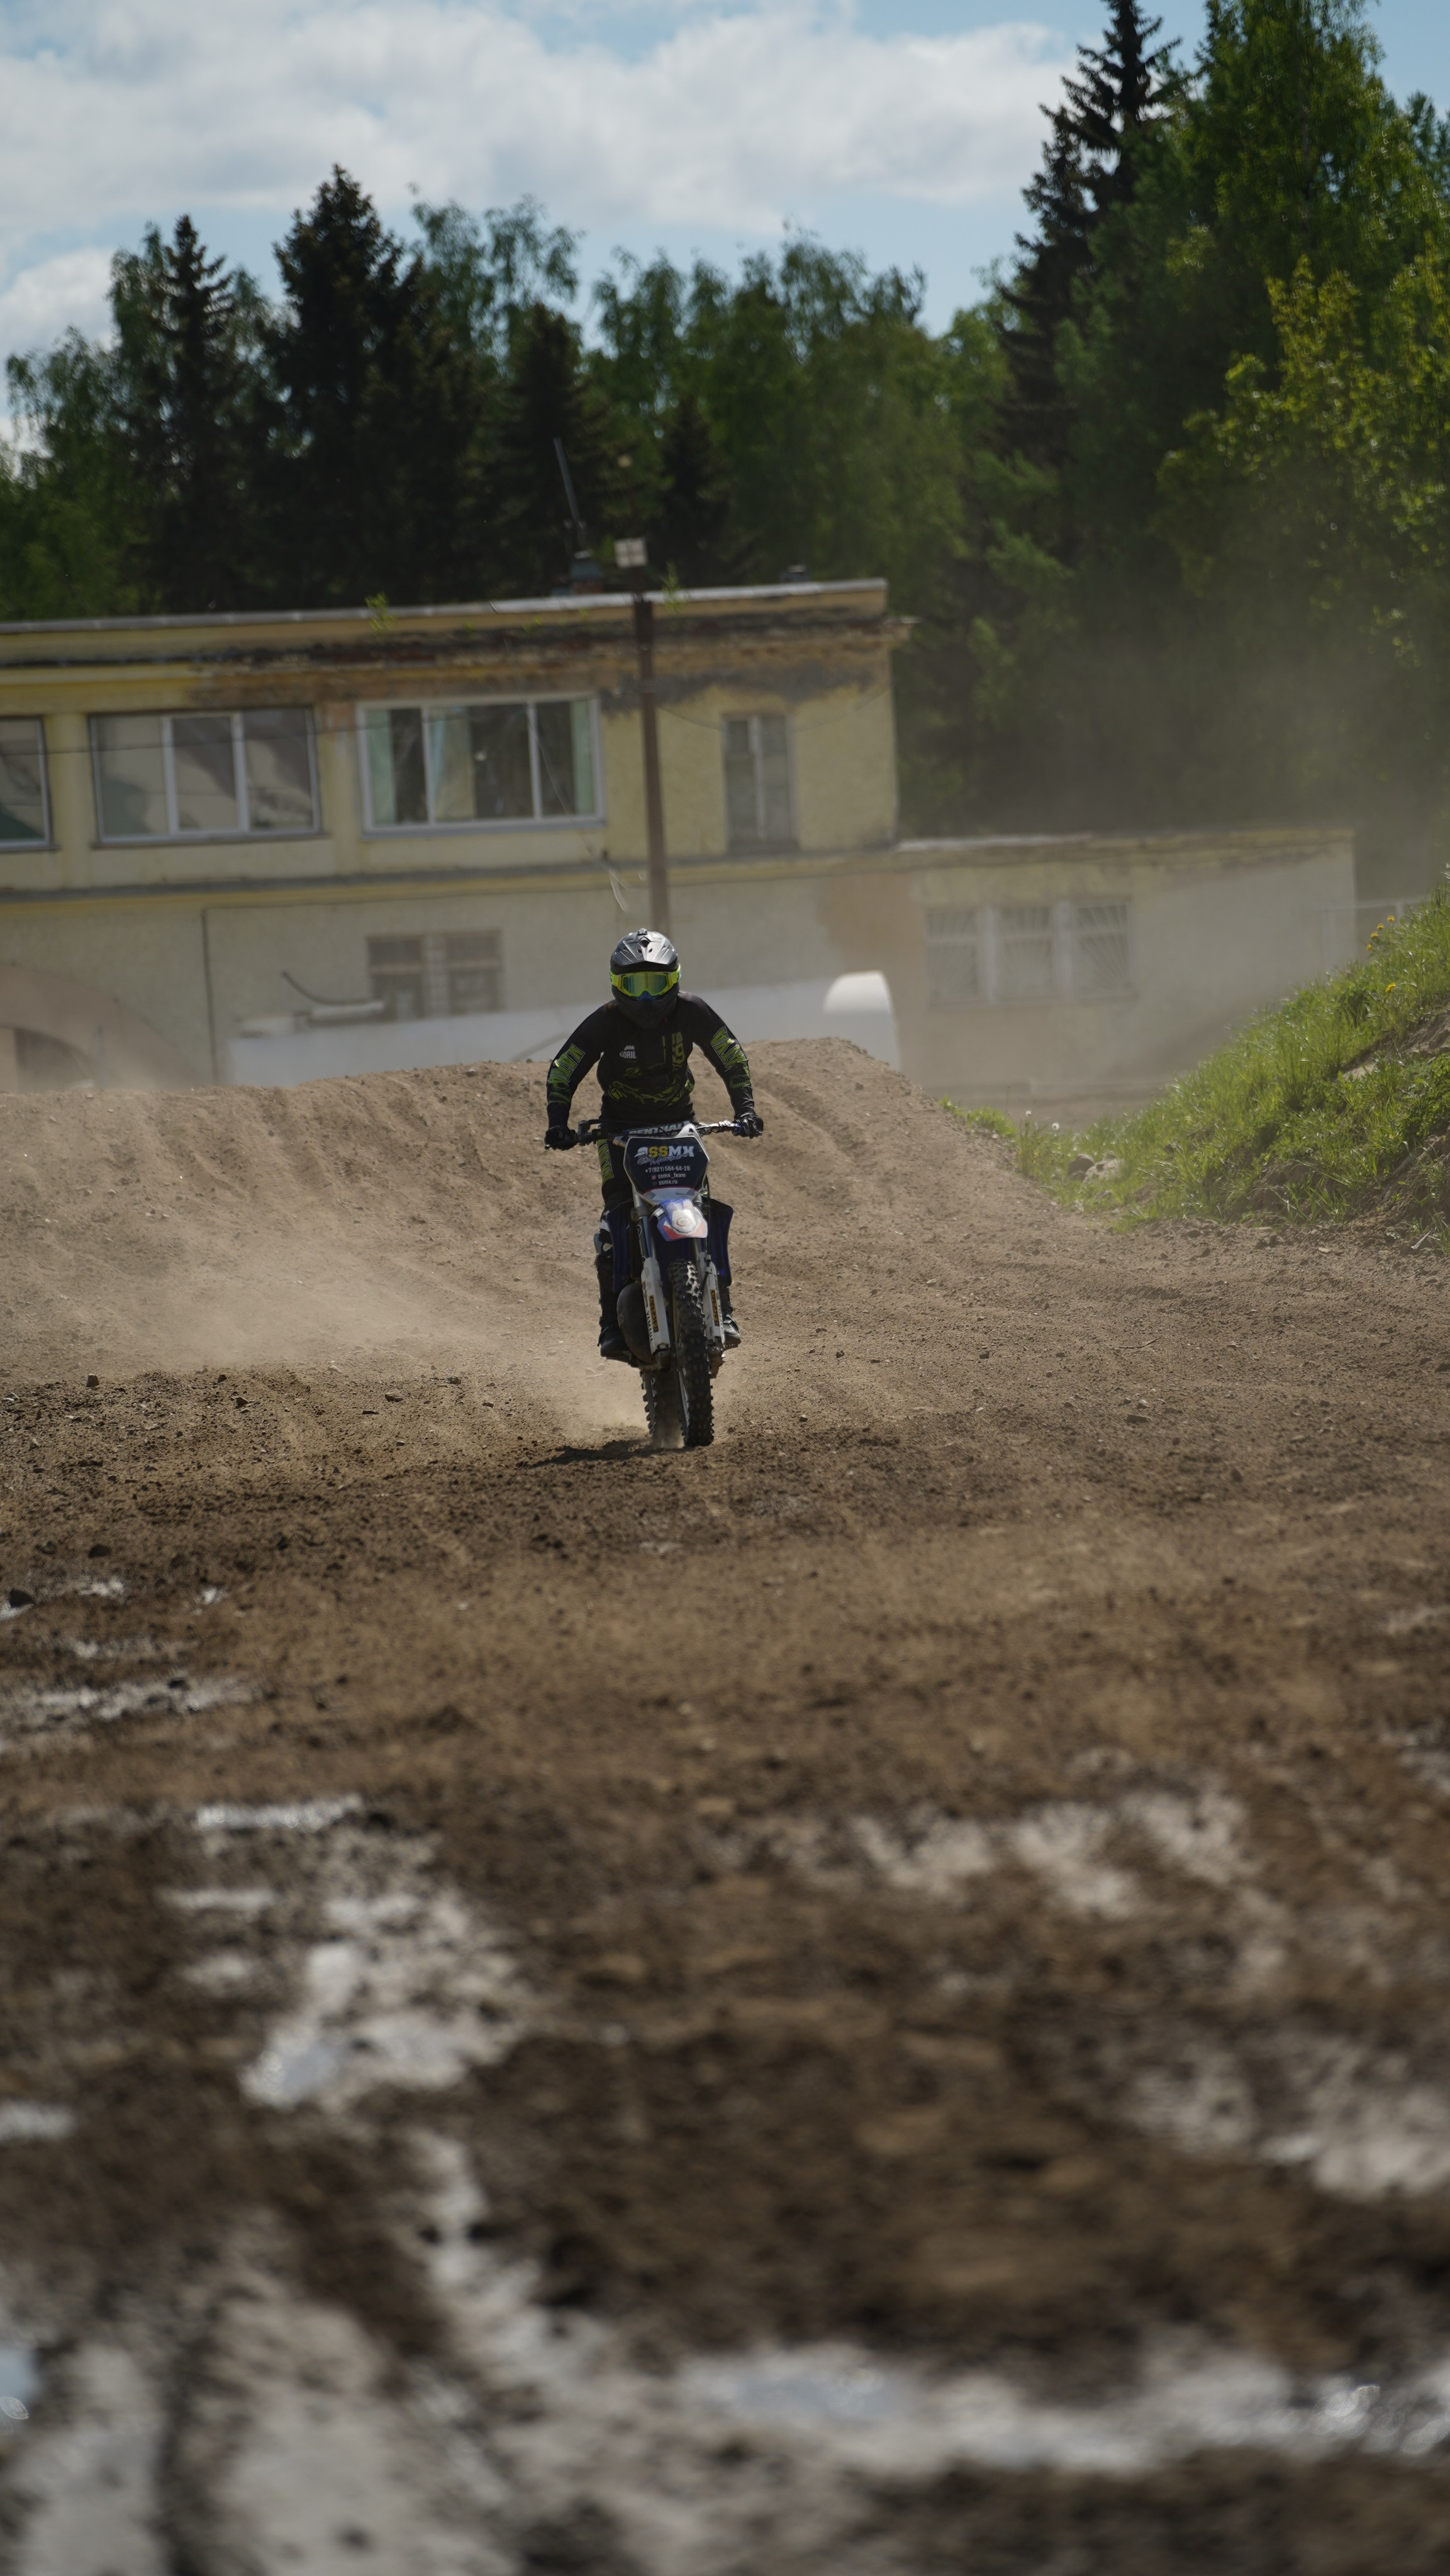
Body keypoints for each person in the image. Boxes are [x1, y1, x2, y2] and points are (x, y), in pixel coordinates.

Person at [544, 929, 764, 1360]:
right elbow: (563, 1067)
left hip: (679, 1127)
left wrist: (746, 1109)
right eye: (635, 986)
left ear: (675, 979)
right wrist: (558, 1124)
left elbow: (730, 1055)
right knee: (614, 1219)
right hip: (618, 1133)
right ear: (616, 984)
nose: (646, 999)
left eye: (656, 984)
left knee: (703, 1207)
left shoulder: (693, 1013)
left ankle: (725, 1309)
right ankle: (611, 1323)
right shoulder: (605, 1021)